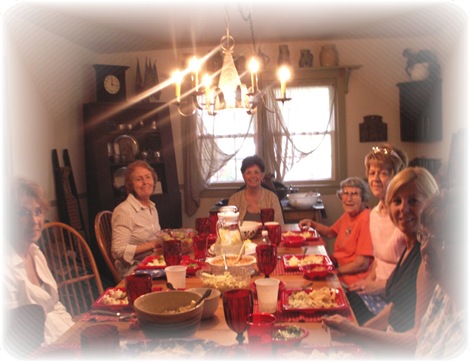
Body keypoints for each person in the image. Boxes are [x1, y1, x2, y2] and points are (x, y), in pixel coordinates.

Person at [322, 167, 440, 356]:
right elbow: (396, 308)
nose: (403, 209)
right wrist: (357, 332)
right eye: (397, 201)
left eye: (413, 201)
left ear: (431, 204)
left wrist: (356, 333)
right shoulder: (410, 246)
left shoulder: (427, 257)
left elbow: (417, 340)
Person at [4, 178, 74, 348]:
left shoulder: (35, 252)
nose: (34, 221)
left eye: (38, 212)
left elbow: (54, 304)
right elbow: (12, 336)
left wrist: (74, 332)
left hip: (63, 336)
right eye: (22, 213)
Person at [347, 145, 408, 324]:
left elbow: (409, 276)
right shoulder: (374, 213)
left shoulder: (404, 216)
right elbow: (377, 261)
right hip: (376, 292)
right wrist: (366, 282)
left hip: (396, 299)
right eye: (372, 173)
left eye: (383, 173)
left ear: (396, 176)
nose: (375, 179)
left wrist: (377, 286)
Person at [299, 177, 373, 287]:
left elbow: (361, 264)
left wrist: (333, 272)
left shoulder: (367, 219)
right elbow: (330, 232)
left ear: (363, 198)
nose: (349, 198)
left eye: (354, 194)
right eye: (345, 193)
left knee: (308, 286)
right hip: (339, 268)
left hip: (352, 278)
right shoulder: (348, 215)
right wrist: (313, 223)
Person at [111, 160, 162, 279]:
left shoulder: (152, 207)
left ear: (153, 181)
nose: (145, 182)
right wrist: (153, 244)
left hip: (152, 264)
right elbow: (117, 251)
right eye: (139, 179)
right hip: (135, 271)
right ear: (130, 185)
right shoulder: (124, 211)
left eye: (148, 177)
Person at [228, 155, 284, 224]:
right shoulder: (234, 199)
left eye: (256, 172)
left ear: (262, 175)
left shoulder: (272, 198)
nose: (252, 176)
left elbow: (280, 225)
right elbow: (228, 228)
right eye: (248, 173)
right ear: (243, 176)